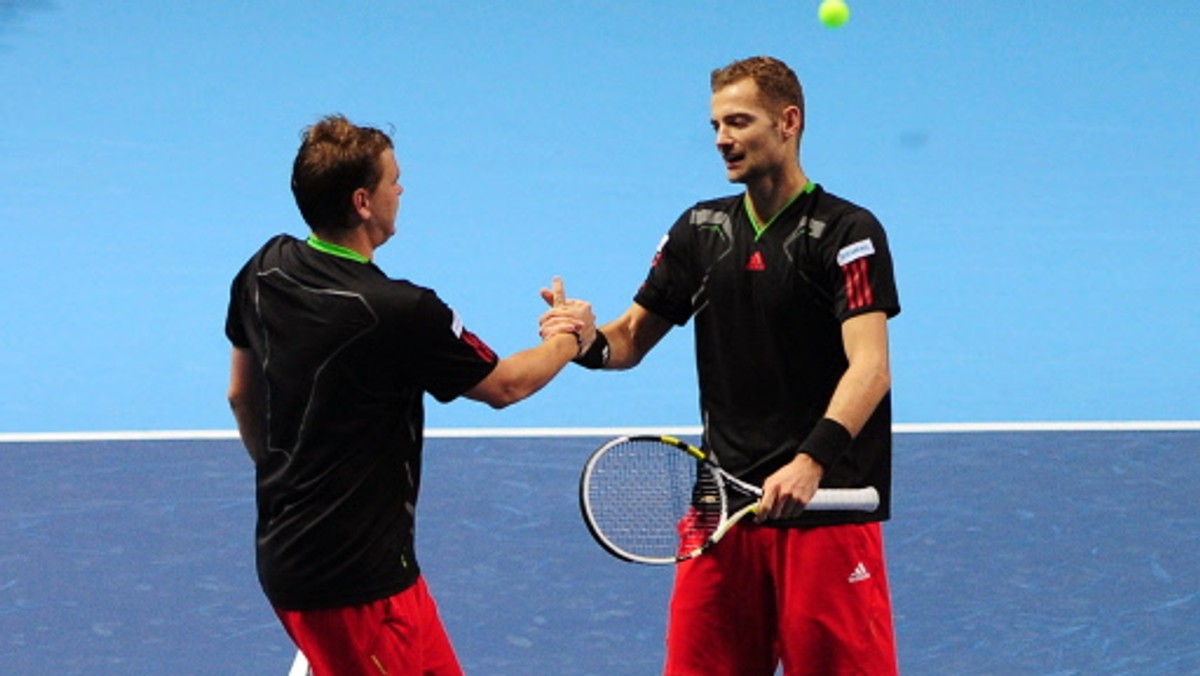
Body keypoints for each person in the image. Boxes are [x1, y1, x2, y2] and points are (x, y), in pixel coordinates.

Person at [543, 56, 900, 674]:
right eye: (715, 125)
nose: (722, 140)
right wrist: (584, 341)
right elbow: (629, 335)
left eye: (739, 122)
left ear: (788, 122)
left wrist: (809, 462)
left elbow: (869, 367)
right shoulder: (700, 229)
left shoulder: (847, 232)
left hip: (824, 504)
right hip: (722, 509)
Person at [225, 114, 594, 676]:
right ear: (363, 202)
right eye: (392, 179)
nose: (401, 189)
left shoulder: (264, 268)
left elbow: (239, 396)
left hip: (333, 563)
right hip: (352, 588)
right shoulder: (400, 311)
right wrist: (571, 335)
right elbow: (506, 384)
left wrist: (291, 474)